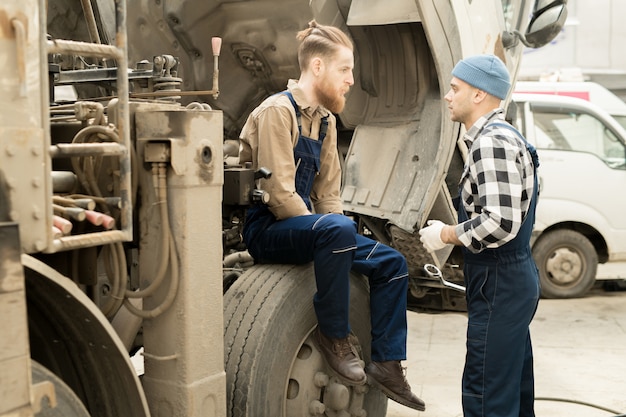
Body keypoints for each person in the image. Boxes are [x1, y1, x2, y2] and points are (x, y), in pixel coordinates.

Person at [239, 20, 425, 411]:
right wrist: (326, 232)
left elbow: (329, 194)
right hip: (268, 228)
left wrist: (334, 236)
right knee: (337, 229)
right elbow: (278, 194)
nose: (351, 81)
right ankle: (334, 336)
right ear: (318, 67)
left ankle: (388, 365)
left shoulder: (324, 120)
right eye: (345, 70)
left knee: (392, 263)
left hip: (311, 229)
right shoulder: (278, 112)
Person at [419, 54, 541, 417]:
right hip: (509, 276)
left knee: (486, 394)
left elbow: (500, 222)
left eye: (455, 89)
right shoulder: (502, 137)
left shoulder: (492, 143)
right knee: (511, 392)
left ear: (478, 95)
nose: (447, 96)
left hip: (499, 279)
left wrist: (446, 233)